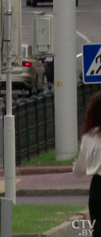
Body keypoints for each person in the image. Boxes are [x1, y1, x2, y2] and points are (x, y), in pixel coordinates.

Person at [74, 91, 101, 236]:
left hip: (98, 186)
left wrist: (76, 167)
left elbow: (79, 170)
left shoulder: (89, 137)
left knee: (97, 228)